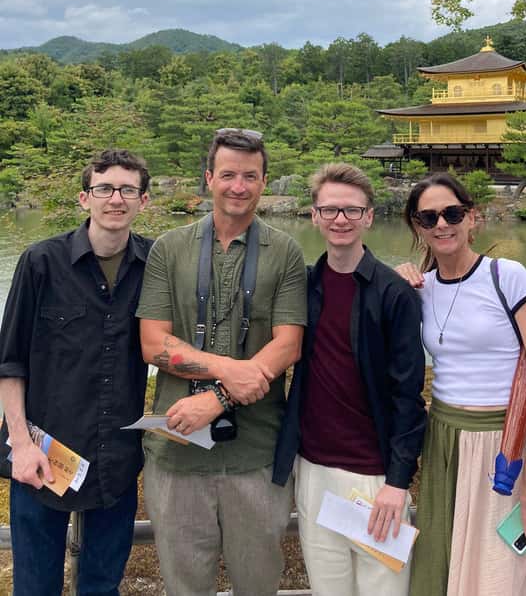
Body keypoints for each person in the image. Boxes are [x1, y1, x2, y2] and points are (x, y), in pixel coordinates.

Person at [137, 128, 307, 596]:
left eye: (250, 176)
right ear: (208, 178)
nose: (239, 186)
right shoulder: (168, 248)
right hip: (176, 449)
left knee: (258, 583)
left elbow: (287, 345)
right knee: (184, 585)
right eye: (228, 174)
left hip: (257, 453)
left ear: (264, 182)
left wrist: (215, 398)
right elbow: (153, 344)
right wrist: (229, 370)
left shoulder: (286, 251)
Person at [398, 172, 526, 596]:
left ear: (474, 218)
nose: (441, 224)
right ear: (418, 227)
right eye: (428, 217)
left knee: (499, 570)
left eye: (452, 213)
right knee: (443, 559)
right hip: (444, 438)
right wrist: (395, 283)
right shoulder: (421, 288)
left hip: (503, 443)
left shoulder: (505, 276)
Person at [0, 148, 152, 596]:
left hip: (116, 457)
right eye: (104, 188)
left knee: (103, 586)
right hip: (44, 455)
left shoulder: (156, 265)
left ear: (144, 201)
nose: (115, 199)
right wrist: (21, 445)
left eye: (128, 189)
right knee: (35, 585)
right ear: (84, 198)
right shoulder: (41, 262)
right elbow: (10, 363)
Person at [273, 162, 427, 596]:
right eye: (331, 210)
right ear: (315, 215)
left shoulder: (393, 293)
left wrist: (398, 482)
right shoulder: (302, 286)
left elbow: (407, 394)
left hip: (375, 478)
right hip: (314, 471)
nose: (341, 219)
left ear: (369, 217)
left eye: (352, 211)